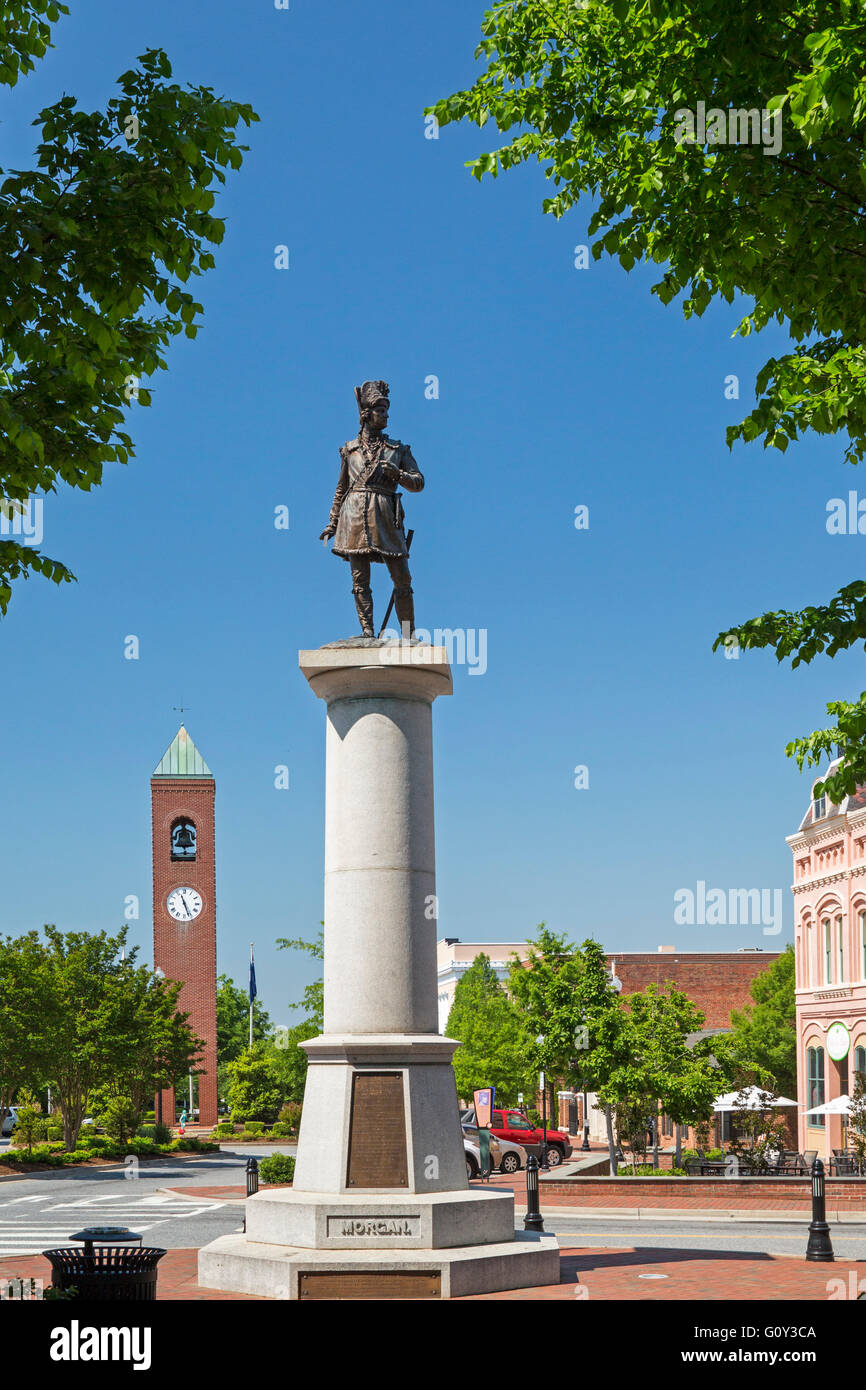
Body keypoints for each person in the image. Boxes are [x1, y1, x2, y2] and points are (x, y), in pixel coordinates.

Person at [319, 380, 424, 638]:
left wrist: (398, 475)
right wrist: (332, 523)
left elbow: (419, 482)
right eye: (381, 410)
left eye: (387, 410)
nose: (386, 415)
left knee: (402, 580)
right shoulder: (349, 451)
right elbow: (340, 488)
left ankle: (408, 635)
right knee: (359, 581)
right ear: (366, 414)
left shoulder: (398, 450)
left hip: (386, 517)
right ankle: (367, 631)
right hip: (353, 517)